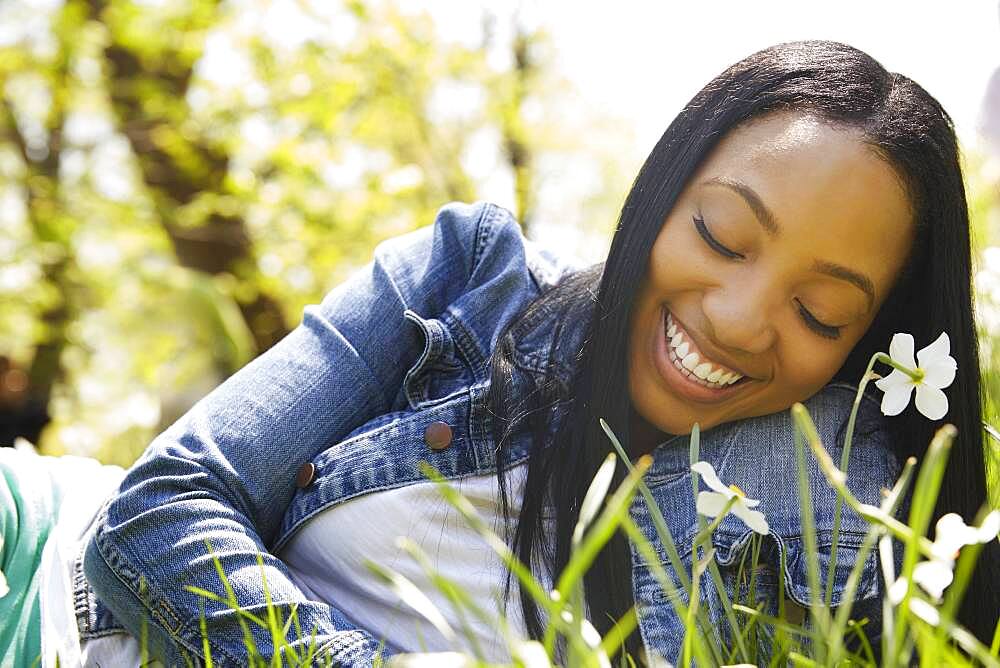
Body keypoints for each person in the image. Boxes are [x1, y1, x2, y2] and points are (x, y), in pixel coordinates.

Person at [2, 39, 996, 666]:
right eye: (721, 236)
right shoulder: (472, 274)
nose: (738, 317)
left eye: (819, 310)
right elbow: (158, 508)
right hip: (47, 576)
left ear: (874, 344)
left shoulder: (858, 498)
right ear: (660, 189)